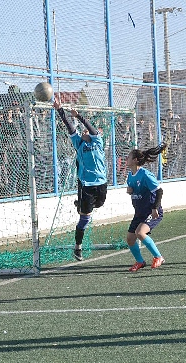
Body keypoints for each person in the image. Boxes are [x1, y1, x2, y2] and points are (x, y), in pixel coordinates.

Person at [53, 98, 108, 261]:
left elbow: (92, 129)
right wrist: (60, 110)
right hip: (86, 185)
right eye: (83, 131)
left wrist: (80, 117)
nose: (85, 131)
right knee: (85, 218)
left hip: (102, 183)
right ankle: (78, 248)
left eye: (88, 131)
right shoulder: (79, 144)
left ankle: (81, 205)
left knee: (100, 204)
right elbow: (69, 127)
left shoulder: (98, 141)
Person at [125, 144, 167, 272]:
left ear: (135, 160)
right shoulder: (130, 176)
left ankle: (158, 257)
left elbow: (159, 191)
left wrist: (155, 208)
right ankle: (140, 261)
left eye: (129, 157)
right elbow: (135, 191)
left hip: (151, 210)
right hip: (139, 212)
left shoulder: (145, 175)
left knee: (140, 233)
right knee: (130, 238)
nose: (126, 159)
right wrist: (130, 191)